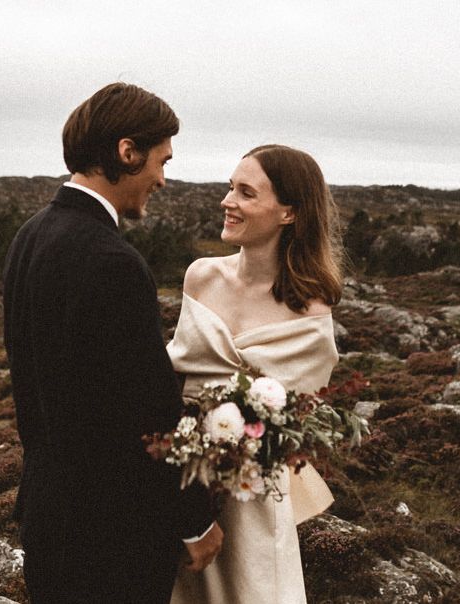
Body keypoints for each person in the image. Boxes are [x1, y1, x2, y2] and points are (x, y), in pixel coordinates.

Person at [3, 83, 222, 604]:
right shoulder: (112, 261)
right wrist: (194, 520)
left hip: (48, 518)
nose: (163, 180)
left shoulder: (30, 235)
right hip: (111, 535)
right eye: (160, 162)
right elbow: (147, 407)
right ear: (127, 152)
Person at [168, 144, 343, 603]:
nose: (228, 201)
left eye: (246, 193)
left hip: (252, 495)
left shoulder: (310, 312)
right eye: (230, 188)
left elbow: (299, 422)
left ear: (289, 213)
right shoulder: (200, 277)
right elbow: (173, 380)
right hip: (178, 487)